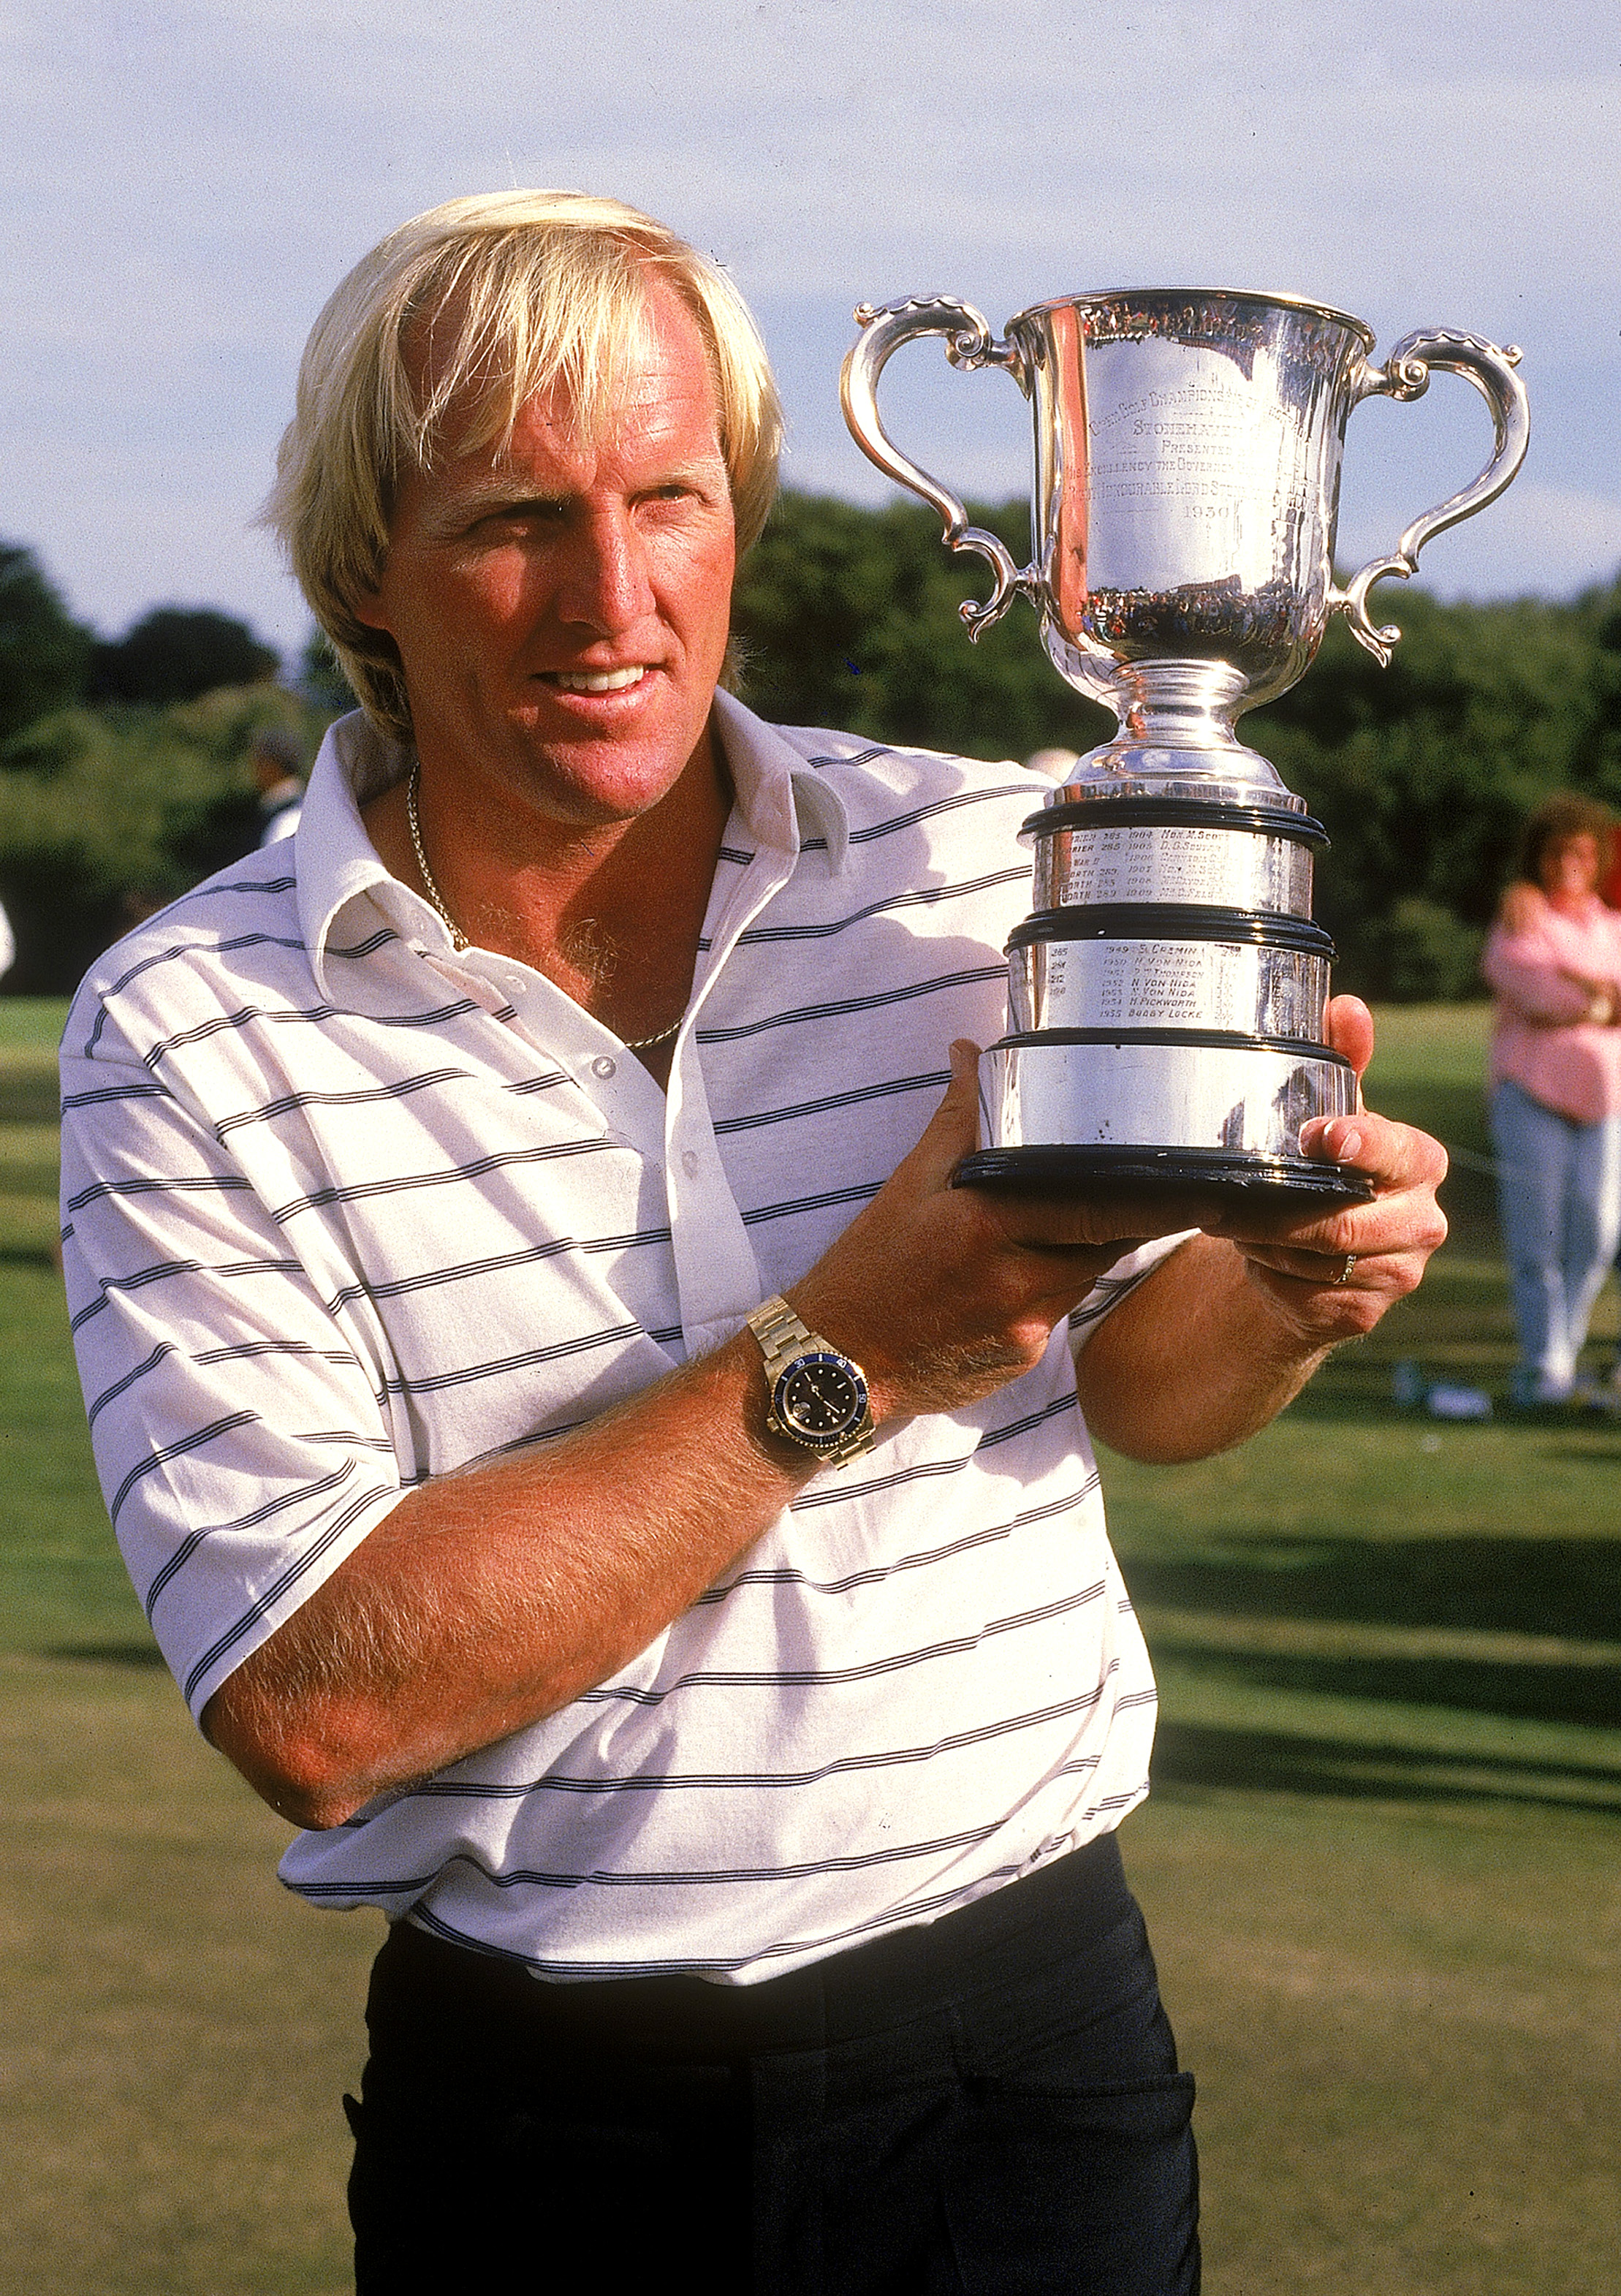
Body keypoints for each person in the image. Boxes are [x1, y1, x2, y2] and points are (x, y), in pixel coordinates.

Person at [59, 192, 1447, 2295]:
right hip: (545, 2121)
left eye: (670, 498)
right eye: (511, 515)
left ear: (745, 512)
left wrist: (1278, 1288)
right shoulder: (188, 1023)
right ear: (365, 561)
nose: (606, 595)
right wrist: (858, 1347)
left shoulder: (992, 856)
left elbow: (1145, 1391)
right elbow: (315, 1702)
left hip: (1031, 2054)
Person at [1482, 794, 1621, 1407]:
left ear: (1598, 862)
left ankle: (1559, 1354)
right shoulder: (1521, 916)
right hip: (1529, 1093)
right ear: (1540, 857)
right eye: (1560, 851)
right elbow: (1528, 986)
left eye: (1583, 853)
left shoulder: (1611, 927)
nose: (1571, 862)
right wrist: (1596, 995)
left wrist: (1579, 982)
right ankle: (1547, 1367)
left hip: (1603, 1100)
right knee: (1535, 1239)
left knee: (1596, 1233)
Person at [248, 725, 306, 843]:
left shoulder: (287, 822)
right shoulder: (301, 810)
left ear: (273, 766)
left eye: (260, 761)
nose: (254, 770)